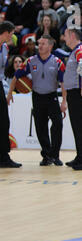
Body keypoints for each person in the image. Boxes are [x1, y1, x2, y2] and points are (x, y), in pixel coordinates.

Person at [7, 35, 67, 166]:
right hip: (37, 97)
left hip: (52, 97)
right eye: (39, 43)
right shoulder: (30, 61)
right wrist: (10, 93)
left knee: (58, 124)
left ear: (50, 46)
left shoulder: (58, 62)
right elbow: (16, 76)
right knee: (40, 127)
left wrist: (64, 101)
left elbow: (63, 82)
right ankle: (46, 155)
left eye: (43, 44)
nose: (40, 46)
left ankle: (55, 155)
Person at [63, 27, 82, 170]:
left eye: (65, 35)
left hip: (78, 92)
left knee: (81, 125)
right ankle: (81, 156)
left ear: (72, 35)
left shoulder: (80, 50)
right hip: (73, 92)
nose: (64, 38)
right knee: (77, 125)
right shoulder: (75, 51)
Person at [0, 21, 21, 168]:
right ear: (6, 32)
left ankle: (3, 155)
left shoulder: (5, 47)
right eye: (12, 34)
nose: (12, 37)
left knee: (3, 120)